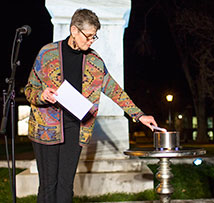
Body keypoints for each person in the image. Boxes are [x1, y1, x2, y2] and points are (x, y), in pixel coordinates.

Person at [24, 8, 158, 203]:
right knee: (47, 185)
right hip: (45, 128)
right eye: (88, 36)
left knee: (65, 185)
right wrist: (42, 95)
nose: (91, 41)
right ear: (74, 31)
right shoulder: (47, 53)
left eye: (94, 37)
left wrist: (139, 115)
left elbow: (115, 90)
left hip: (75, 128)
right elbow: (29, 89)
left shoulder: (95, 61)